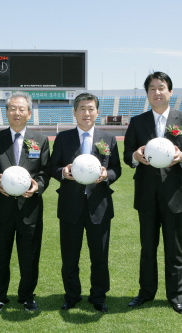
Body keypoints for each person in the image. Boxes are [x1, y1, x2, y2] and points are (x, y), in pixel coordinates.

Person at [123, 72, 182, 314]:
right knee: (148, 248)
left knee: (174, 248)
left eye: (161, 87)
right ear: (147, 94)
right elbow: (127, 155)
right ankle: (146, 293)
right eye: (152, 89)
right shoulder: (137, 122)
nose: (157, 92)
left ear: (170, 92)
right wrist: (135, 157)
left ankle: (176, 296)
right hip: (147, 193)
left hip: (175, 194)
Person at [50, 92, 122, 313]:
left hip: (99, 206)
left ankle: (98, 297)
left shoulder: (107, 138)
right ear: (75, 112)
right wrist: (63, 171)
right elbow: (52, 168)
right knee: (70, 257)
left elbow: (116, 169)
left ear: (97, 112)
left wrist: (105, 175)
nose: (86, 113)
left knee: (99, 257)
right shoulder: (63, 138)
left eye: (91, 108)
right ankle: (71, 296)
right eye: (82, 108)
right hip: (70, 206)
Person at [0, 92, 50, 312]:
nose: (16, 113)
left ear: (29, 113)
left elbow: (45, 172)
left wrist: (38, 185)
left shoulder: (40, 140)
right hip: (0, 208)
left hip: (29, 209)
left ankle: (27, 297)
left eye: (21, 109)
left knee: (29, 257)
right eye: (12, 108)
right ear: (6, 112)